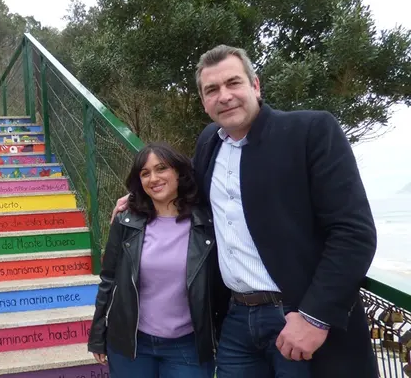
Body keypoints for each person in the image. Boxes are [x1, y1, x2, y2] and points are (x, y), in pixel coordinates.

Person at [111, 45, 378, 377]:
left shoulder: (310, 131)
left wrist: (315, 317)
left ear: (255, 85)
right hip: (236, 319)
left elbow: (354, 233)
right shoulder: (209, 142)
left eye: (233, 83)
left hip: (295, 316)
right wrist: (138, 197)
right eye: (212, 90)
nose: (224, 96)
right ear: (204, 101)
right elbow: (183, 185)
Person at [88, 142, 221, 378]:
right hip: (132, 346)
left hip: (188, 346)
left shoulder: (207, 223)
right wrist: (98, 332)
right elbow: (109, 279)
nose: (154, 178)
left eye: (161, 168)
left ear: (178, 172)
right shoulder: (126, 222)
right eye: (145, 173)